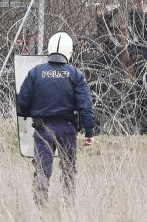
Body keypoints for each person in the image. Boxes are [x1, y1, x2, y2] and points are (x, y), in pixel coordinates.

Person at [17, 31, 95, 208]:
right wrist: (89, 131)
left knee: (42, 171)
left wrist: (34, 113)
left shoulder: (35, 72)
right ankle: (68, 209)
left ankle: (40, 211)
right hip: (67, 129)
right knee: (68, 171)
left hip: (42, 128)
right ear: (69, 52)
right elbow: (85, 106)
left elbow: (22, 103)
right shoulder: (76, 74)